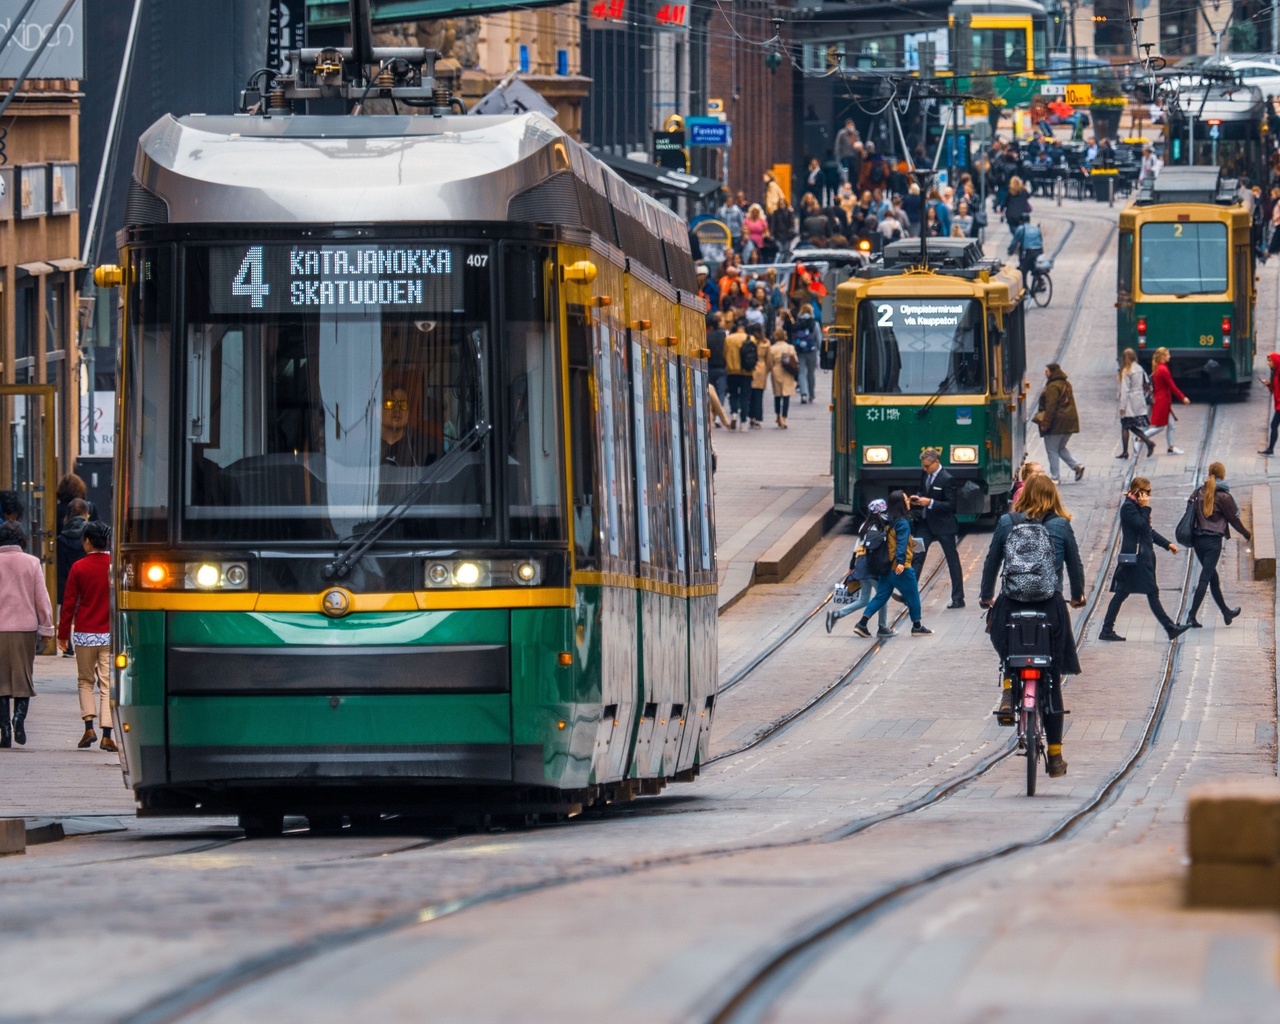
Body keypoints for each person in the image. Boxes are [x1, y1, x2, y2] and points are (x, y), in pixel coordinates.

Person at [978, 474, 1084, 777]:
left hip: (1011, 604)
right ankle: (1055, 756)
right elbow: (1075, 567)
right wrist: (1077, 595)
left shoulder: (1007, 523)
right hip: (1050, 607)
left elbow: (991, 562)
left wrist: (987, 596)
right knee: (1051, 677)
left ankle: (1010, 689)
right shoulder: (1061, 526)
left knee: (1005, 643)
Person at [1099, 478, 1192, 642]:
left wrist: (1167, 544)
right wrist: (1146, 507)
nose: (1149, 495)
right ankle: (1170, 628)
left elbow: (1148, 532)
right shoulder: (1128, 507)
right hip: (1137, 559)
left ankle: (1106, 629)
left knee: (1122, 593)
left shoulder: (1135, 507)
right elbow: (1141, 525)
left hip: (1139, 558)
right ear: (1138, 492)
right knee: (1150, 592)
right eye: (1147, 492)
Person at [57, 520, 114, 751]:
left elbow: (69, 603)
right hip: (109, 634)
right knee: (107, 683)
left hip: (83, 634)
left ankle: (88, 727)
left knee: (85, 681)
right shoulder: (114, 566)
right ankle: (107, 734)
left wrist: (63, 635)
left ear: (88, 542)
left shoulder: (79, 567)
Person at [849, 490, 933, 638]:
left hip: (885, 567)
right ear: (901, 504)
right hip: (900, 568)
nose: (908, 502)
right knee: (913, 596)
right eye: (906, 500)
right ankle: (917, 626)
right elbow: (900, 544)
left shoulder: (886, 520)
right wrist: (901, 562)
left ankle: (862, 623)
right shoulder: (902, 523)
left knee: (880, 596)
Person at [0, 521, 54, 748]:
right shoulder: (32, 563)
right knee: (23, 677)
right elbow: (42, 599)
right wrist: (47, 628)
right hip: (25, 629)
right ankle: (19, 718)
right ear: (22, 540)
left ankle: (4, 730)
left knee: (0, 681)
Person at [1183, 462, 1249, 628]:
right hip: (1213, 542)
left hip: (1198, 540)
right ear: (1223, 474)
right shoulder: (1224, 496)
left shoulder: (1198, 491)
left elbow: (1188, 511)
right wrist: (1246, 533)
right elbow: (1233, 519)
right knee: (1205, 578)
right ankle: (1191, 615)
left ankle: (1226, 612)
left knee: (1213, 578)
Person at [825, 498, 894, 637]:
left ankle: (837, 615)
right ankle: (882, 627)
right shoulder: (880, 527)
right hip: (872, 565)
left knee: (864, 599)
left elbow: (856, 548)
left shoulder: (864, 526)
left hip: (860, 565)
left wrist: (852, 567)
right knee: (882, 596)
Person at [911, 448, 965, 608]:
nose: (924, 469)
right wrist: (917, 497)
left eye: (927, 466)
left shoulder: (947, 479)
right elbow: (922, 489)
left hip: (944, 526)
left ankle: (958, 598)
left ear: (936, 462)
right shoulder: (925, 474)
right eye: (923, 466)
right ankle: (910, 594)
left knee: (952, 560)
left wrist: (931, 503)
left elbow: (951, 505)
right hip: (926, 523)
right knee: (917, 556)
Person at [1034, 363, 1084, 483]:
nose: (1045, 373)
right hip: (1069, 423)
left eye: (1047, 371)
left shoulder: (1052, 386)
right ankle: (1077, 466)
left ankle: (1055, 477)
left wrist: (1045, 423)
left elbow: (1050, 407)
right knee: (1060, 448)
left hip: (1057, 424)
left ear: (1052, 372)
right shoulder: (1066, 384)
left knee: (1052, 450)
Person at [56, 498, 91, 658]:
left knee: (67, 608)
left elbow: (61, 566)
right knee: (87, 607)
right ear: (86, 513)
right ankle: (87, 641)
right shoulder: (89, 534)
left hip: (67, 575)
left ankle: (67, 645)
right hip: (86, 577)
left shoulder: (61, 538)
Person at [1149, 346, 1190, 454]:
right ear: (1163, 356)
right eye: (1168, 354)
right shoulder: (1163, 370)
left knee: (1171, 425)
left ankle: (1171, 447)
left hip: (1162, 400)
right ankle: (1141, 437)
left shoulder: (1158, 367)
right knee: (1160, 427)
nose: (1170, 356)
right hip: (1163, 401)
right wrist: (1183, 397)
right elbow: (1172, 386)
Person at [1118, 348, 1156, 458]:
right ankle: (1128, 450)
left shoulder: (1127, 370)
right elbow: (1146, 383)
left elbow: (1124, 390)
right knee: (1129, 426)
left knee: (1126, 425)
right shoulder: (1140, 368)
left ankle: (1147, 443)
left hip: (1130, 401)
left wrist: (1122, 406)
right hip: (1139, 399)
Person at [380, 385, 428, 467]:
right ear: (377, 411)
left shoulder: (423, 447)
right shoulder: (368, 445)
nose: (397, 409)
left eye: (403, 404)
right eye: (389, 404)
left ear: (408, 413)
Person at [767, 327, 798, 428]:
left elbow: (769, 363)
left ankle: (778, 415)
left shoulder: (772, 348)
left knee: (777, 395)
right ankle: (784, 418)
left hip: (776, 371)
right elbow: (795, 360)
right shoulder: (790, 347)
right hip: (787, 372)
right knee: (786, 396)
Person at [791, 302, 821, 406]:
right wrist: (819, 351)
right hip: (812, 351)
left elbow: (793, 336)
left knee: (802, 372)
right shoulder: (814, 323)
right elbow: (818, 339)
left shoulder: (797, 323)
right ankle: (811, 394)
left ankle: (803, 394)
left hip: (800, 351)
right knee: (811, 373)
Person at [1007, 214, 1044, 292]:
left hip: (1029, 252)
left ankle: (1025, 290)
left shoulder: (1021, 228)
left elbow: (1015, 241)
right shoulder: (1036, 228)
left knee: (1023, 270)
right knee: (1035, 268)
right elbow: (1041, 240)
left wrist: (1010, 251)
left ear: (1021, 221)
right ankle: (1040, 281)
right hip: (1039, 251)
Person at [723, 314, 748, 427]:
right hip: (746, 371)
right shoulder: (749, 338)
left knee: (733, 394)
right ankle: (743, 420)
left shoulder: (729, 339)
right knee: (744, 395)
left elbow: (724, 353)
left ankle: (733, 413)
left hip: (732, 370)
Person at [747, 324, 769, 429]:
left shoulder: (749, 342)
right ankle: (757, 418)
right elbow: (769, 360)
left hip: (751, 367)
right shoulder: (766, 343)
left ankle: (750, 416)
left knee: (750, 394)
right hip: (761, 368)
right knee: (759, 395)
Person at [1258, 351, 1280, 455]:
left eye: (1270, 360)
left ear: (1275, 361)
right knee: (1274, 425)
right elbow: (1274, 390)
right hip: (1278, 405)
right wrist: (1268, 384)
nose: (1268, 363)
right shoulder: (1275, 372)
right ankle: (1270, 449)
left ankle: (1270, 449)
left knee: (1273, 425)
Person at [706, 311, 728, 407]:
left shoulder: (708, 336)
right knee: (721, 392)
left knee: (711, 391)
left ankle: (713, 411)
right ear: (719, 323)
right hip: (722, 366)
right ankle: (719, 412)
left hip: (710, 366)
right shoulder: (725, 336)